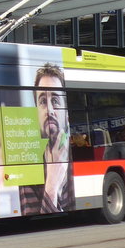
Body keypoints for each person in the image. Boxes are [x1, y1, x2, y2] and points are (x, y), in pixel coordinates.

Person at [22, 63, 74, 215]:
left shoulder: (77, 156)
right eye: (43, 101)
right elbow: (35, 220)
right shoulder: (28, 163)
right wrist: (52, 181)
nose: (49, 110)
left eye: (56, 101)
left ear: (66, 112)